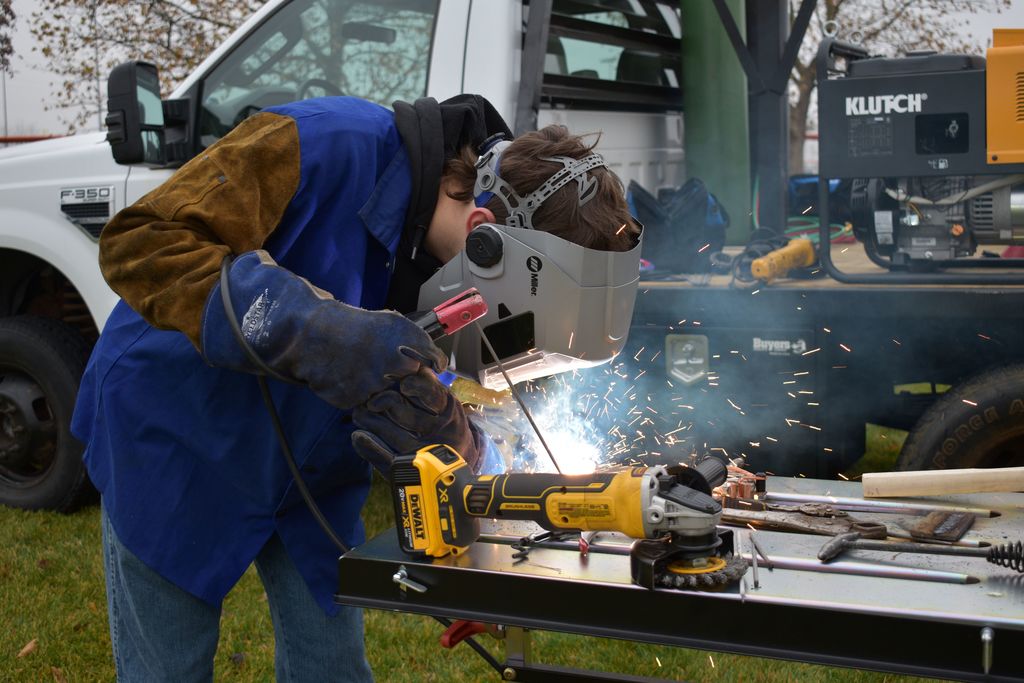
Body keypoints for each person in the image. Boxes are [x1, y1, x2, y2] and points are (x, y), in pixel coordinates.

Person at [72, 93, 637, 682]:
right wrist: (320, 330)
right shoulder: (320, 141)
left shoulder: (446, 268)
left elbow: (431, 393)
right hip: (180, 430)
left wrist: (478, 532)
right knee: (170, 667)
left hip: (312, 458)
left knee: (332, 666)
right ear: (482, 236)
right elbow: (141, 241)